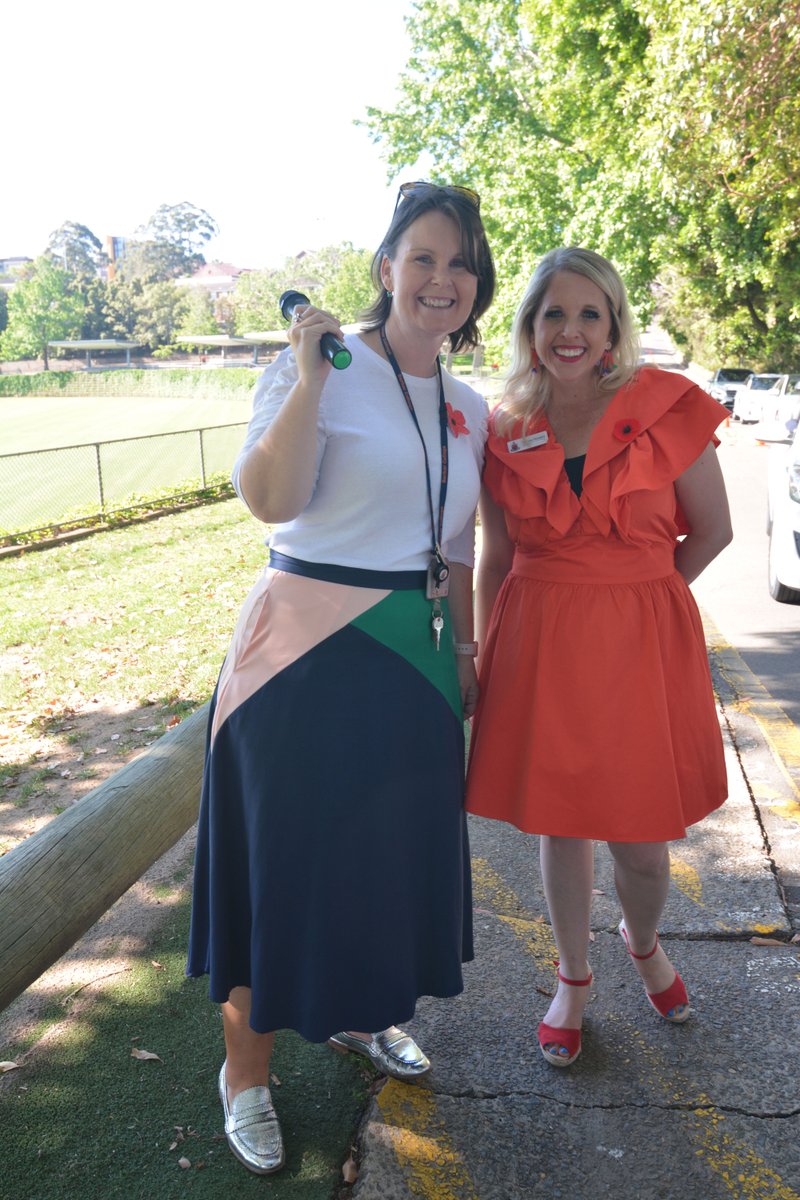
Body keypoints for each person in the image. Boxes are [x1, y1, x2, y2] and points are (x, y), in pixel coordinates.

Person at [187, 181, 495, 1172]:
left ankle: (360, 1018)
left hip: (410, 663)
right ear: (385, 269)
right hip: (300, 660)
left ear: (475, 284)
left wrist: (464, 661)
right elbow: (269, 502)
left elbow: (458, 541)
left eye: (458, 262)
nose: (440, 278)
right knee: (277, 880)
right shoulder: (316, 365)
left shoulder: (469, 408)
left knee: (377, 870)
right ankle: (245, 1073)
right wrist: (311, 383)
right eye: (422, 257)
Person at [465, 248, 732, 1068]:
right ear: (530, 328)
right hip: (539, 642)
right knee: (560, 823)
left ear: (614, 324)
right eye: (554, 315)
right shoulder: (503, 424)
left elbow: (713, 530)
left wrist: (641, 594)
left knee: (643, 841)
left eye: (590, 314)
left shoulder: (665, 405)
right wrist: (478, 652)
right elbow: (495, 553)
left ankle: (642, 941)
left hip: (640, 646)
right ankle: (573, 978)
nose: (571, 331)